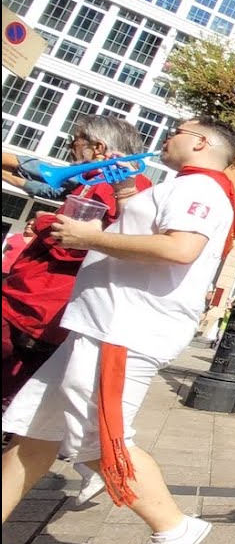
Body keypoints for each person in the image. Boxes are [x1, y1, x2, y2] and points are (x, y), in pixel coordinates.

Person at [1, 116, 235, 544]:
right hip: (99, 325)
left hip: (122, 330)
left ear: (199, 142)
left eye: (177, 129)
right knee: (32, 436)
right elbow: (144, 224)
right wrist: (125, 186)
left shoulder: (206, 191)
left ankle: (174, 527)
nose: (166, 135)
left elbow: (179, 249)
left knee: (98, 439)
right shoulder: (178, 186)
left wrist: (88, 237)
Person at [2, 118, 152, 410]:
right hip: (32, 297)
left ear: (98, 147)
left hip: (43, 304)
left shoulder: (123, 184)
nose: (71, 144)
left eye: (77, 139)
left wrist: (47, 223)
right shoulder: (93, 179)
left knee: (15, 392)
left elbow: (80, 246)